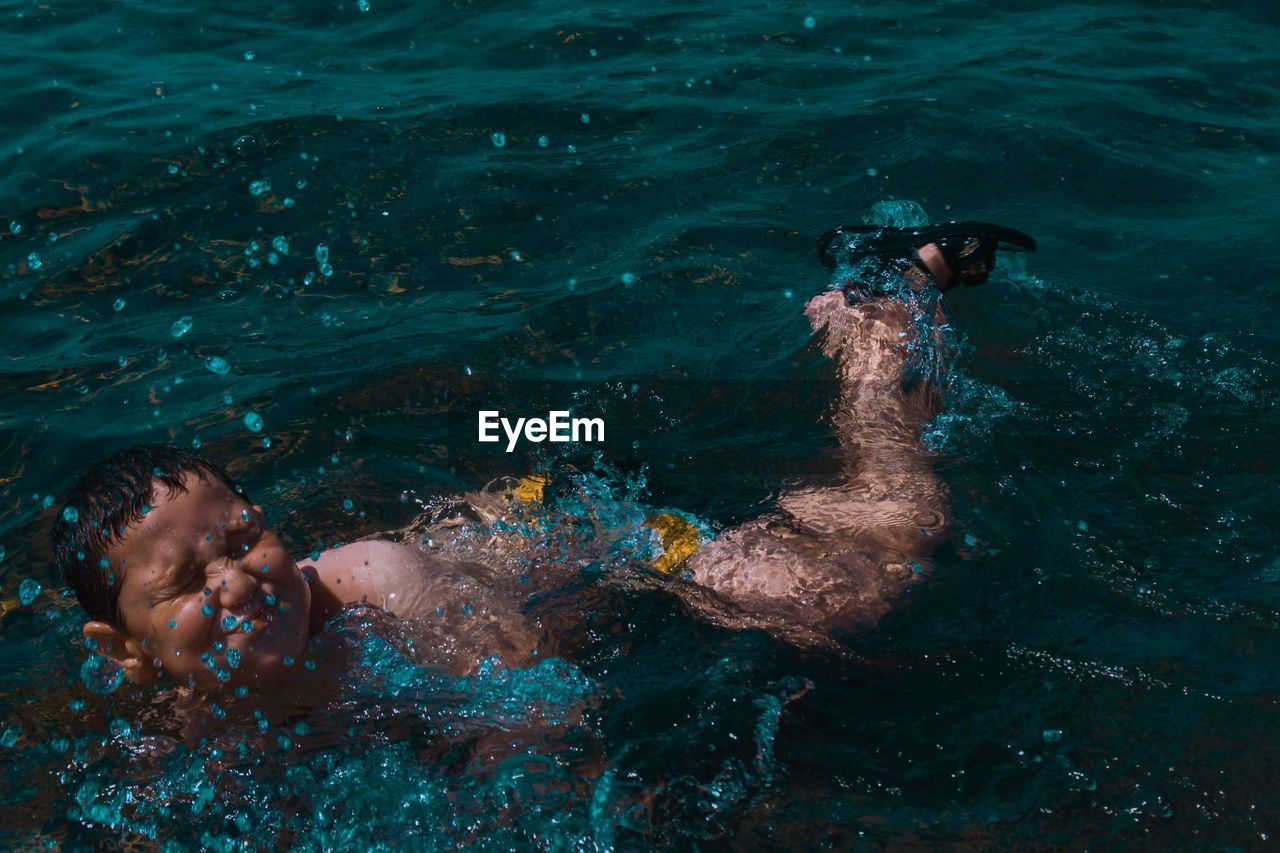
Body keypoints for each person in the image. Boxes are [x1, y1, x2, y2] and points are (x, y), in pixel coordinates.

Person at [50, 220, 1034, 692]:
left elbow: (531, 700)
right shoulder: (170, 721)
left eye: (244, 535)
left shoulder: (370, 585)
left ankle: (880, 302)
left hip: (605, 536)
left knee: (883, 560)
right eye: (183, 579)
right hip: (499, 513)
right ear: (124, 649)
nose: (235, 580)